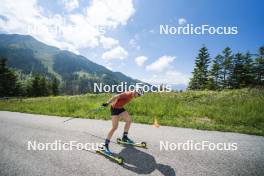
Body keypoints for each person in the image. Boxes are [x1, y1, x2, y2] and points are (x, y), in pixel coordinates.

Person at [101, 88, 144, 154]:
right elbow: (116, 96)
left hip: (120, 108)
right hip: (114, 109)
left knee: (129, 120)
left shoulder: (132, 95)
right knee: (114, 127)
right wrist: (107, 103)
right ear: (135, 92)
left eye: (139, 95)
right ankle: (105, 145)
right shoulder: (128, 94)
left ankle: (125, 137)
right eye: (138, 94)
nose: (138, 96)